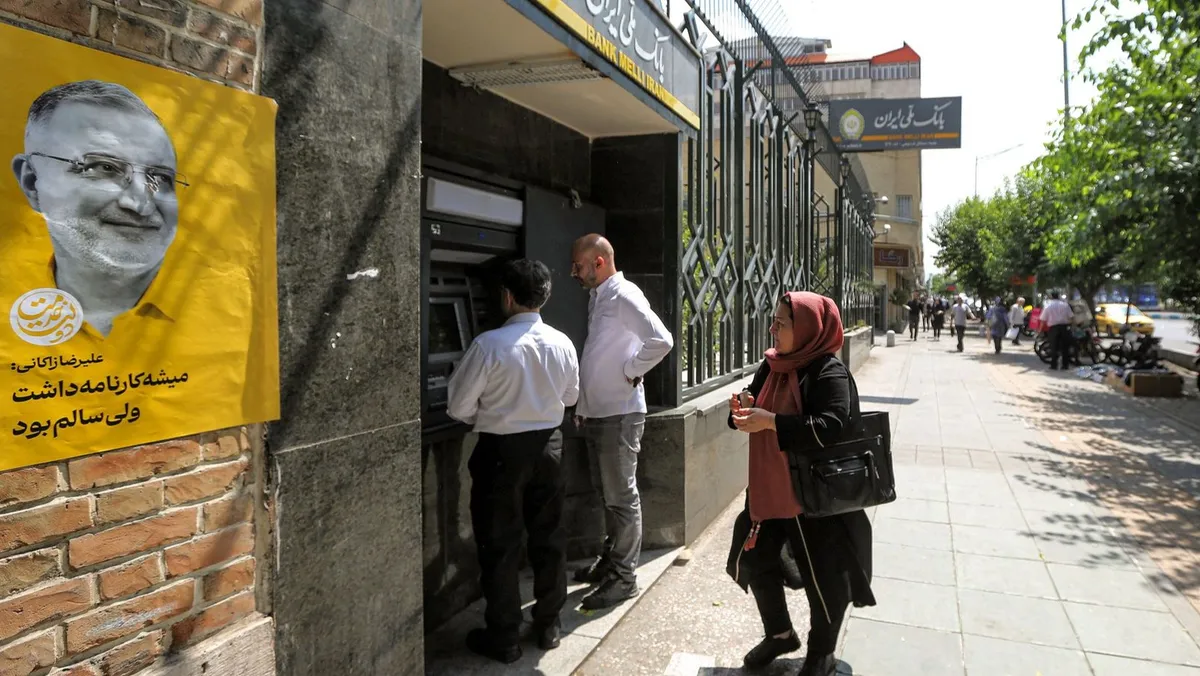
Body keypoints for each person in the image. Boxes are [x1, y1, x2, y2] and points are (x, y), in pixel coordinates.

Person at [726, 292, 875, 676]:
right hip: (769, 489)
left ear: (809, 329)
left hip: (812, 497)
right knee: (753, 558)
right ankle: (780, 634)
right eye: (773, 320)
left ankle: (821, 653)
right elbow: (754, 406)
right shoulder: (773, 364)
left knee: (823, 580)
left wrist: (771, 421)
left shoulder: (828, 372)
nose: (772, 329)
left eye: (782, 323)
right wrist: (742, 410)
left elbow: (832, 426)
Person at [446, 259, 580, 663]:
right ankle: (549, 624)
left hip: (501, 453)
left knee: (499, 543)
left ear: (506, 296)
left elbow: (458, 406)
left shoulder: (488, 345)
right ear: (545, 296)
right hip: (549, 449)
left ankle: (504, 637)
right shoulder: (562, 343)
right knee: (549, 538)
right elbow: (571, 397)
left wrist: (491, 412)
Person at [10, 80, 182, 338]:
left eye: (160, 178)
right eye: (104, 168)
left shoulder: (225, 314)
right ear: (32, 182)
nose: (141, 204)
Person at [570, 234, 674, 610]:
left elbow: (661, 340)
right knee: (608, 496)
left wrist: (631, 371)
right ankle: (612, 561)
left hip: (620, 414)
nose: (573, 273)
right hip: (600, 413)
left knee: (621, 498)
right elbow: (598, 354)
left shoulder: (624, 295)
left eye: (578, 266)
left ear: (599, 262)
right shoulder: (600, 297)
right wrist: (584, 406)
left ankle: (624, 577)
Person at [1041, 291, 1075, 371]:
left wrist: (1039, 329)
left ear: (1051, 297)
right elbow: (1071, 317)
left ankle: (1054, 365)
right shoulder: (1065, 305)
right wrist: (1070, 325)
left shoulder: (1048, 306)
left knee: (1054, 347)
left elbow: (1043, 319)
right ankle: (1065, 365)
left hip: (1053, 328)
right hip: (1064, 327)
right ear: (1059, 296)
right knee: (1065, 347)